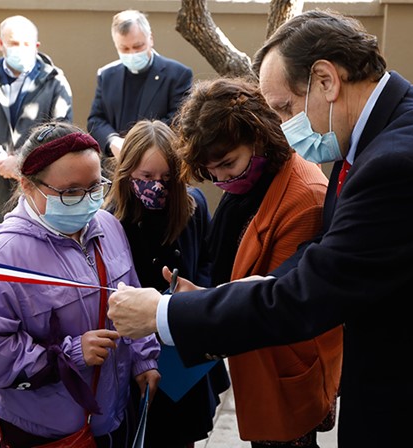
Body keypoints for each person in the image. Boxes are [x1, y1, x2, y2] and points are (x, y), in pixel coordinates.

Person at [107, 9, 413, 448]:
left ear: (326, 80)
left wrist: (163, 314)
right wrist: (211, 301)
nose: (284, 127)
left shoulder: (398, 163)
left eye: (286, 107)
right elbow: (324, 252)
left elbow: (309, 292)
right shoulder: (387, 132)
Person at [0, 121, 161, 448]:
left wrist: (143, 359)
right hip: (45, 432)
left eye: (94, 187)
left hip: (113, 418)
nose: (87, 200)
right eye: (70, 192)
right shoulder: (0, 258)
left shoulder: (106, 225)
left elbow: (131, 298)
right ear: (27, 185)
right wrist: (71, 353)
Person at [171, 77, 342, 447]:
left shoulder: (304, 197)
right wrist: (201, 296)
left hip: (285, 368)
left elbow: (276, 303)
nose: (220, 179)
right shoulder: (254, 181)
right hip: (260, 360)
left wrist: (194, 308)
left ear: (260, 136)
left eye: (227, 164)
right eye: (211, 171)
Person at [104, 119, 230, 448]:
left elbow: (209, 260)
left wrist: (194, 292)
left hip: (183, 342)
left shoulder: (193, 204)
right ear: (126, 171)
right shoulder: (110, 219)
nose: (156, 187)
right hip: (137, 348)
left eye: (166, 178)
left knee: (183, 433)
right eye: (146, 178)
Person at [0, 15, 73, 230]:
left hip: (39, 188)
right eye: (13, 43)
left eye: (26, 44)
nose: (20, 49)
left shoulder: (55, 81)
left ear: (36, 46)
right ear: (1, 44)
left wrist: (20, 161)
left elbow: (60, 131)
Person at [86, 9, 193, 169]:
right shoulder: (107, 75)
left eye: (138, 46)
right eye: (124, 49)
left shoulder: (177, 74)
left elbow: (178, 120)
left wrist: (137, 145)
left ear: (151, 39)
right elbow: (96, 119)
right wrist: (113, 141)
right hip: (116, 168)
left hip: (159, 167)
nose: (132, 54)